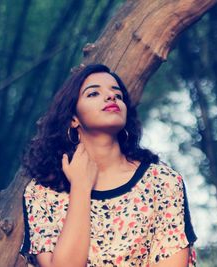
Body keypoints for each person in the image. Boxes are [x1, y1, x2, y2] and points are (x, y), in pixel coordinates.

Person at [19, 64, 197, 267]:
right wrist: (80, 187)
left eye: (118, 95)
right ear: (73, 119)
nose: (111, 97)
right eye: (94, 93)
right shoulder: (43, 193)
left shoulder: (162, 183)